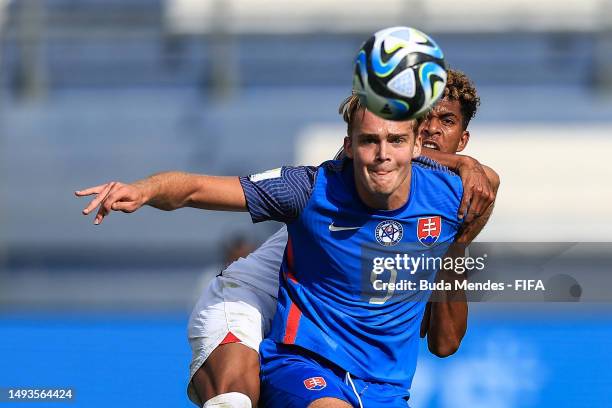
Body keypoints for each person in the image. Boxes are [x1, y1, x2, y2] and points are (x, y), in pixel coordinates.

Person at [76, 73, 497, 408]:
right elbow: (196, 189)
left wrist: (455, 245)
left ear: (463, 137)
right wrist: (145, 190)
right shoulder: (341, 174)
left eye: (448, 123)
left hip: (343, 346)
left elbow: (444, 342)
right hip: (256, 297)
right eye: (426, 118)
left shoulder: (448, 205)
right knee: (232, 401)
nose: (432, 132)